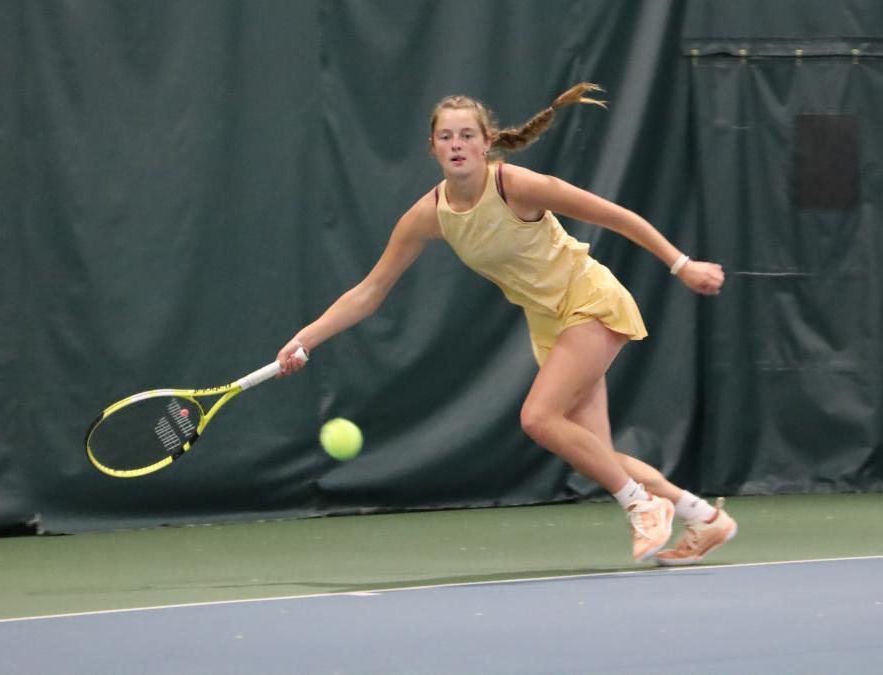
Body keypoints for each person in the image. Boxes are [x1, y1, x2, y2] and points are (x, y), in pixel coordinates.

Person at [276, 83, 737, 564]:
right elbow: (369, 291)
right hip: (550, 324)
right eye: (446, 137)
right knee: (597, 454)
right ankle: (705, 518)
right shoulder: (428, 215)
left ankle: (644, 506)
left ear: (486, 143)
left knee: (538, 418)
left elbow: (616, 216)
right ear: (432, 147)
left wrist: (681, 264)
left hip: (589, 300)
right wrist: (305, 339)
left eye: (466, 135)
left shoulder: (517, 186)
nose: (456, 144)